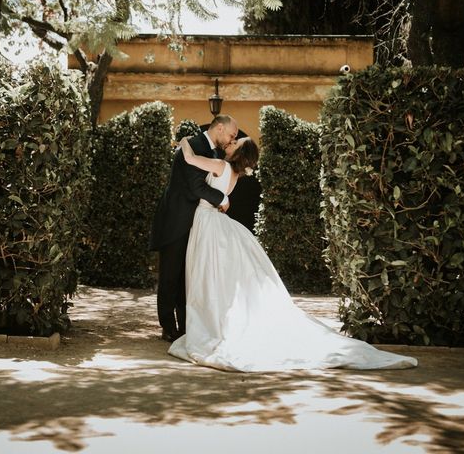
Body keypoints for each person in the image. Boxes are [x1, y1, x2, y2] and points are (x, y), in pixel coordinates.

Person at [167, 136, 418, 371]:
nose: (230, 143)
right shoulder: (233, 175)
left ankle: (212, 322)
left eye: (235, 142)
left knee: (206, 272)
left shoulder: (221, 165)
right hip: (215, 222)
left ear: (238, 153)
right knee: (215, 273)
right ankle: (214, 319)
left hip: (209, 224)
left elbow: (189, 159)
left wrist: (185, 140)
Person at [149, 115, 238, 342]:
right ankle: (168, 326)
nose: (231, 140)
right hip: (177, 220)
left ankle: (187, 325)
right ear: (219, 128)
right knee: (170, 275)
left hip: (198, 223)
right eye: (231, 135)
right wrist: (221, 199)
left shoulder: (214, 152)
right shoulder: (195, 146)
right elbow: (195, 185)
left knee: (188, 277)